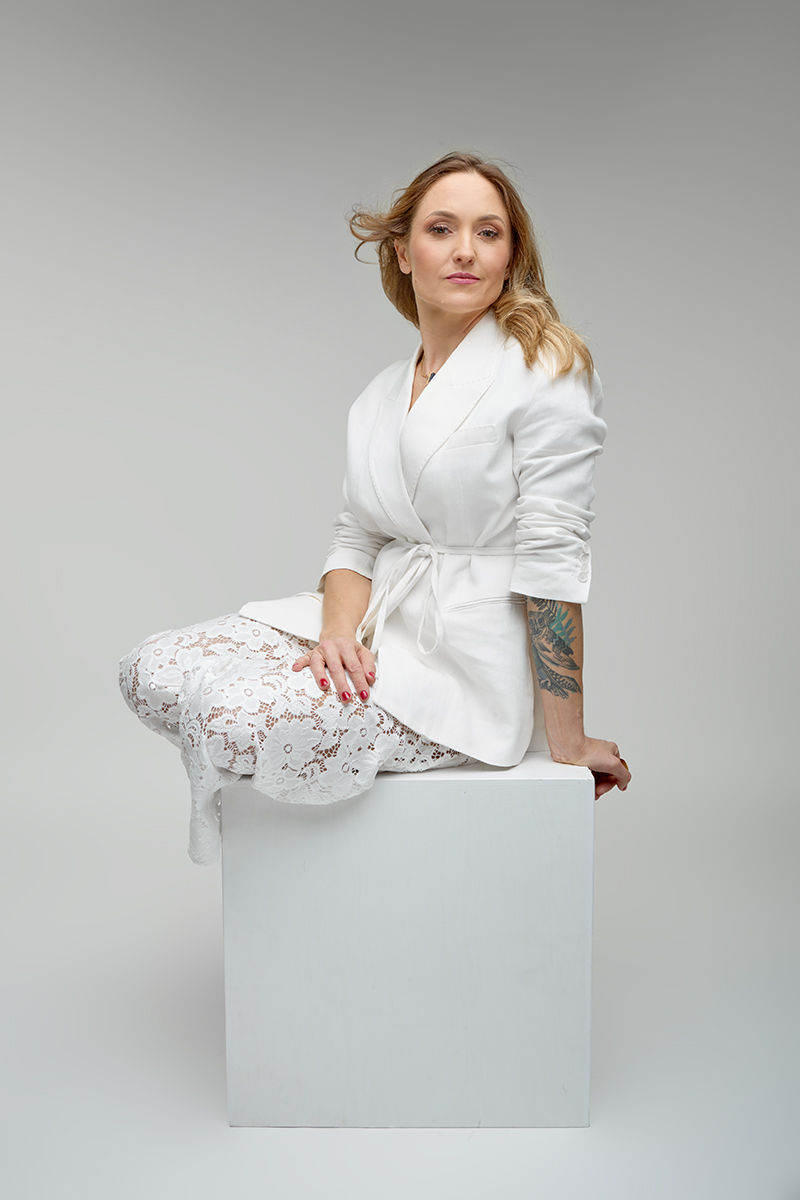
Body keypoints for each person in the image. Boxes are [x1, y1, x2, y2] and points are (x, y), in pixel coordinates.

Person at [119, 151, 631, 866]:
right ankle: (308, 699)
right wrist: (338, 637)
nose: (465, 250)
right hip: (375, 625)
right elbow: (355, 538)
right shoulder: (381, 395)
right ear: (403, 251)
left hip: (461, 662)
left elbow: (554, 553)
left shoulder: (546, 366)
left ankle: (335, 727)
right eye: (441, 229)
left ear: (511, 257)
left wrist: (568, 740)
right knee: (149, 668)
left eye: (488, 232)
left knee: (230, 715)